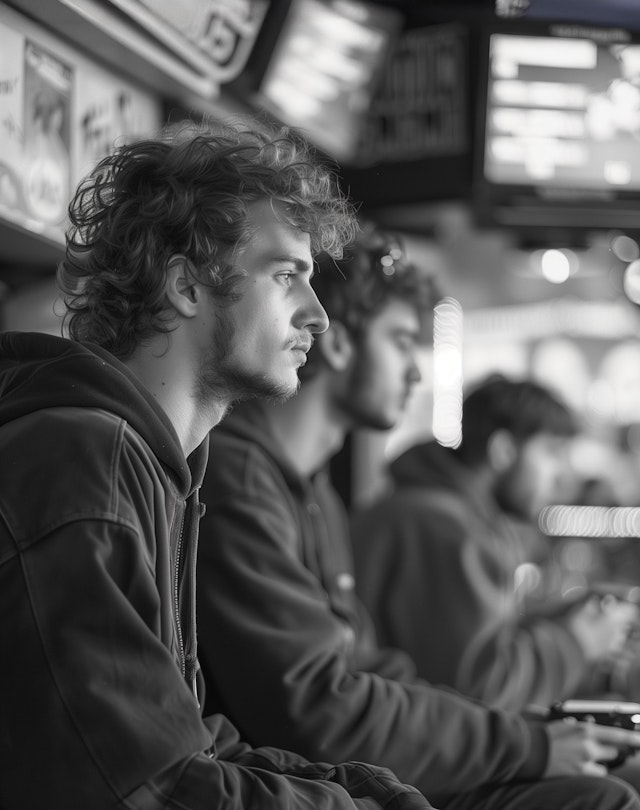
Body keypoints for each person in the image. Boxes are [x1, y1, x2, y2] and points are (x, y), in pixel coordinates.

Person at [0, 120, 435, 810]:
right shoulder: (85, 458)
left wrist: (357, 790)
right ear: (186, 287)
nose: (319, 317)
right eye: (286, 275)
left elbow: (184, 743)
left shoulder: (159, 464)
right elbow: (150, 788)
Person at [196, 227, 640, 810]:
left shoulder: (313, 493)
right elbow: (320, 708)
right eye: (403, 342)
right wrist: (528, 733)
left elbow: (368, 669)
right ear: (338, 343)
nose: (414, 373)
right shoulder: (245, 479)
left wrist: (526, 729)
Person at [351, 375, 638, 713]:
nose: (561, 475)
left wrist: (558, 622)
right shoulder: (443, 528)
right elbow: (477, 693)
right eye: (551, 453)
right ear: (503, 450)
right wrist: (577, 642)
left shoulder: (445, 513)